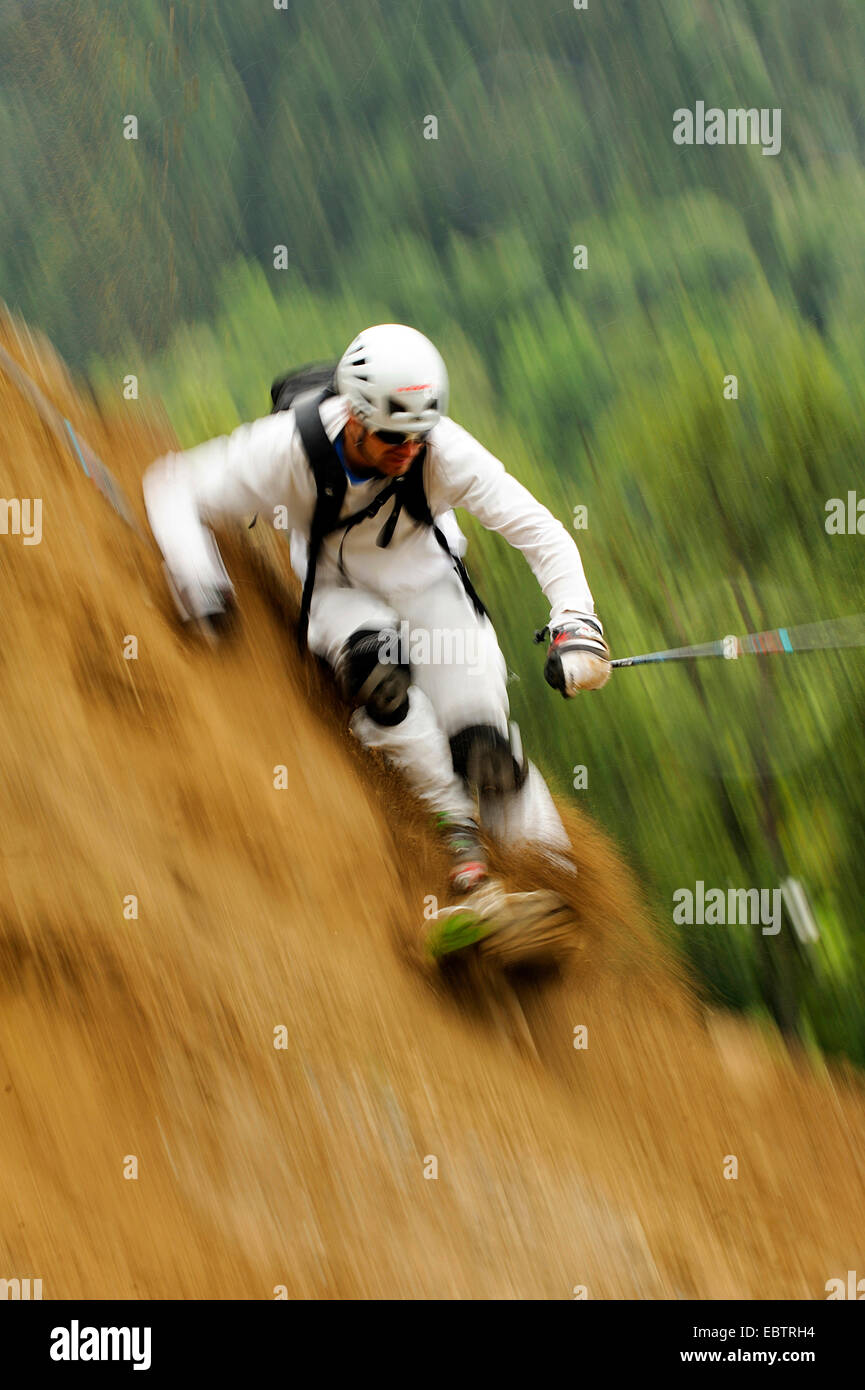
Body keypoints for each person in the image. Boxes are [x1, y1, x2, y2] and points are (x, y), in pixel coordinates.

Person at [143, 324, 610, 949]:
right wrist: (200, 579)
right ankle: (470, 873)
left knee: (485, 751)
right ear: (354, 416)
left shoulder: (441, 449)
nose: (408, 452)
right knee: (382, 684)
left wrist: (576, 628)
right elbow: (174, 486)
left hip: (433, 592)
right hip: (341, 595)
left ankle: (555, 893)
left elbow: (539, 531)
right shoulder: (289, 448)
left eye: (418, 437)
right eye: (393, 437)